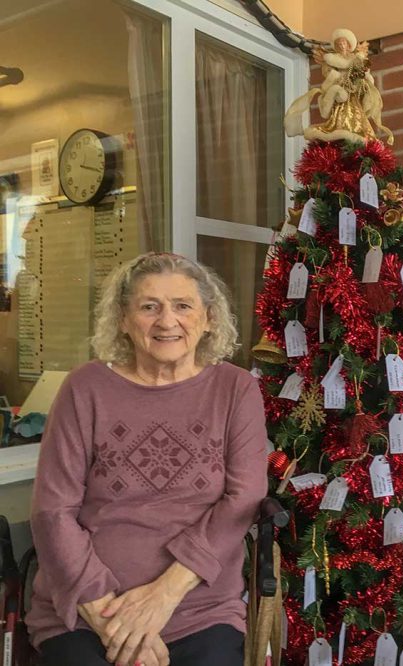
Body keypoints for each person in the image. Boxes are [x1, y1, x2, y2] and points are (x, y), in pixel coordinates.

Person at [26, 253, 267, 666]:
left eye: (183, 305)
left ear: (209, 318)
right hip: (86, 609)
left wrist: (163, 596)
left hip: (200, 610)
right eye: (149, 306)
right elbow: (53, 510)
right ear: (123, 318)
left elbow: (243, 499)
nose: (167, 321)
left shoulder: (235, 389)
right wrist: (112, 620)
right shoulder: (84, 388)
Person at [283, 27, 393, 145]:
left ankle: (357, 133)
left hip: (353, 95)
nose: (341, 45)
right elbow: (329, 76)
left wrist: (362, 78)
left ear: (348, 45)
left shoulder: (355, 59)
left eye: (343, 43)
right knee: (341, 107)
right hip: (340, 92)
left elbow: (364, 74)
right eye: (339, 43)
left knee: (356, 114)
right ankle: (340, 130)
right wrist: (338, 78)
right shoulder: (332, 60)